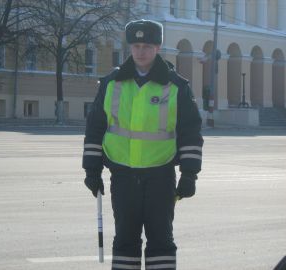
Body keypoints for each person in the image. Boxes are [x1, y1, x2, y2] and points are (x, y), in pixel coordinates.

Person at [82, 19, 203, 270]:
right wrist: (91, 171)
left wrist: (189, 174)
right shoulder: (111, 83)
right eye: (136, 45)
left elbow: (190, 132)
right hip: (123, 175)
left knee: (160, 240)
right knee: (125, 239)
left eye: (147, 46)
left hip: (160, 175)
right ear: (130, 48)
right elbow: (95, 129)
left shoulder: (176, 86)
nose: (141, 51)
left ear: (157, 48)